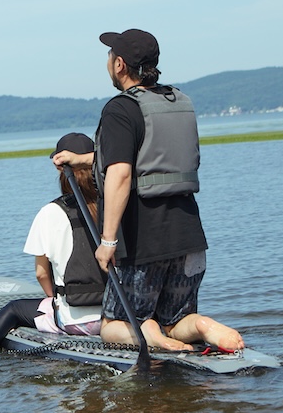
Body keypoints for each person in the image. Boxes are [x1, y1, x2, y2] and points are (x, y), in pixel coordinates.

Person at [51, 28, 244, 353]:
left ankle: (151, 336)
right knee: (176, 321)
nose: (108, 61)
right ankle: (201, 326)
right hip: (189, 238)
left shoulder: (120, 109)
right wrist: (82, 160)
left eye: (110, 55)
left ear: (120, 65)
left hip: (144, 243)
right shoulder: (178, 102)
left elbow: (121, 173)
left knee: (112, 327)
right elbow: (146, 157)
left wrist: (107, 241)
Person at [0, 132, 107, 354]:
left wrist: (54, 300)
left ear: (60, 169)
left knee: (14, 308)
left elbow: (41, 274)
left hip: (74, 322)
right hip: (117, 318)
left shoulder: (50, 212)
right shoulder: (114, 205)